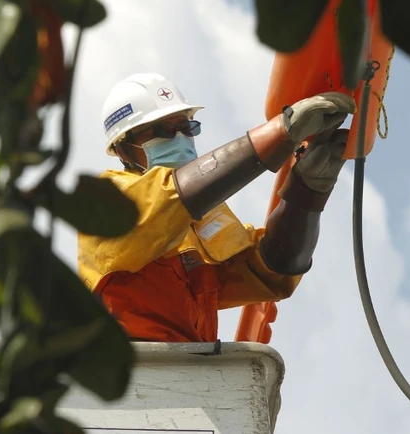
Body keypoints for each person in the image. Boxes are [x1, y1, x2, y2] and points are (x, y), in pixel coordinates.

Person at [77, 72, 355, 342]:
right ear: (124, 149)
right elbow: (169, 196)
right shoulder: (104, 202)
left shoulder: (201, 216)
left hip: (193, 374)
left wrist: (307, 192)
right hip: (134, 372)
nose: (180, 139)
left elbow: (271, 272)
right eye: (162, 131)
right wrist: (281, 131)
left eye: (187, 128)